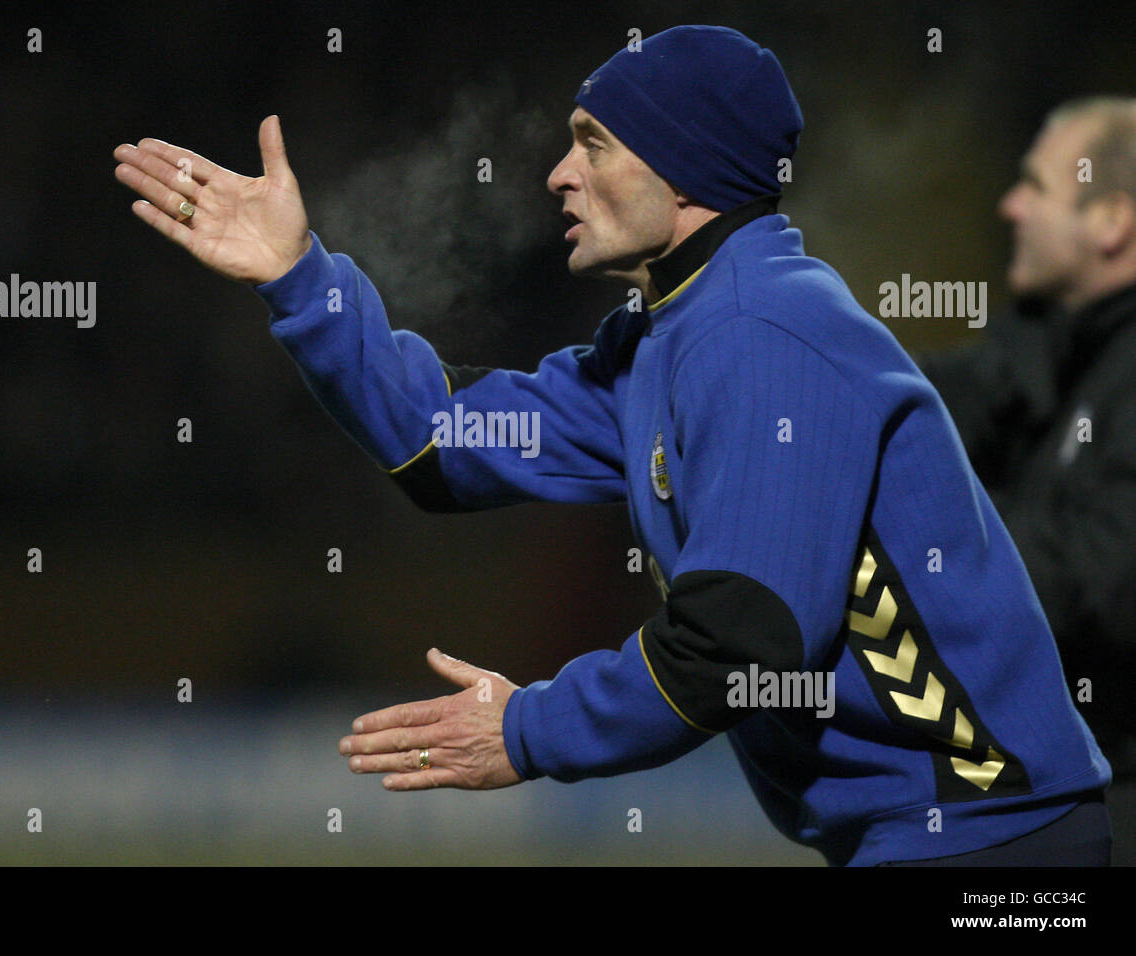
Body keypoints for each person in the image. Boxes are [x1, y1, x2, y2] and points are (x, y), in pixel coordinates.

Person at [112, 25, 1111, 866]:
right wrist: (297, 277)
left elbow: (740, 638)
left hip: (992, 846)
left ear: (684, 170)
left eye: (592, 143)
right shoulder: (671, 338)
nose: (558, 173)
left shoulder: (760, 337)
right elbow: (441, 441)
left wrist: (525, 728)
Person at [916, 97, 1136, 863]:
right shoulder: (1049, 342)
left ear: (1110, 221)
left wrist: (933, 529)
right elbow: (935, 402)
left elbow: (1108, 584)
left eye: (1036, 186)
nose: (1010, 206)